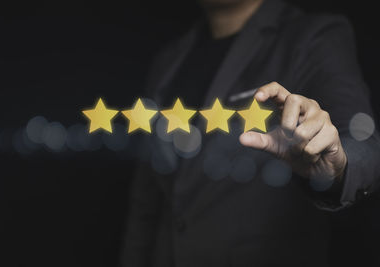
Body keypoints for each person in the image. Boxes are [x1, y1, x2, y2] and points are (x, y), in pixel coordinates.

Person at [121, 0, 380, 266]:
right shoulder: (168, 60)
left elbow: (364, 144)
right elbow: (147, 198)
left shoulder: (312, 37)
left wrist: (337, 166)